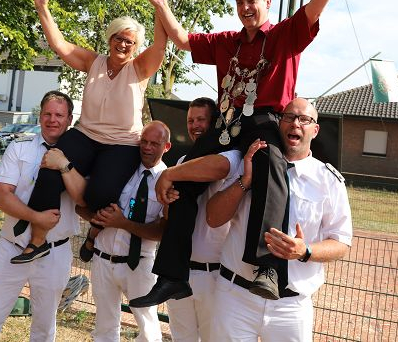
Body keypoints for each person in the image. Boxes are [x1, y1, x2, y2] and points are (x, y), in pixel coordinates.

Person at [131, 0, 365, 307]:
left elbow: (315, 5)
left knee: (272, 167)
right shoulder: (227, 41)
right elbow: (183, 40)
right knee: (183, 175)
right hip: (226, 122)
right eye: (239, 2)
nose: (245, 8)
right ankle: (172, 275)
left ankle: (268, 267)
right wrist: (161, 5)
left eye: (252, 1)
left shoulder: (284, 35)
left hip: (265, 120)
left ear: (267, 3)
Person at [10, 0, 167, 264]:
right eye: (118, 38)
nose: (123, 44)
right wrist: (42, 8)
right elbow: (59, 45)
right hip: (85, 135)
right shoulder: (94, 62)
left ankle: (93, 232)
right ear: (110, 38)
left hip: (121, 143)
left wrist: (159, 6)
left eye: (129, 42)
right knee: (48, 167)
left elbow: (160, 45)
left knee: (98, 197)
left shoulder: (139, 68)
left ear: (135, 47)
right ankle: (38, 239)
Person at [206, 97, 352, 340]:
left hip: (291, 307)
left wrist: (305, 251)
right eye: (289, 117)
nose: (295, 123)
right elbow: (213, 218)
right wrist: (246, 181)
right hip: (235, 297)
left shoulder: (328, 181)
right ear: (280, 123)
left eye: (304, 119)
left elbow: (341, 243)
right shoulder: (250, 161)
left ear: (315, 130)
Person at [0, 91, 81, 341]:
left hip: (55, 252)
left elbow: (83, 198)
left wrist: (65, 166)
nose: (52, 120)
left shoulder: (79, 157)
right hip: (13, 247)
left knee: (44, 327)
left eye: (59, 115)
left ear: (69, 119)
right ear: (40, 116)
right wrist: (36, 218)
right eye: (47, 114)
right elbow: (1, 197)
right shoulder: (19, 147)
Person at [49, 121, 172, 341]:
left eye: (155, 143)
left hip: (139, 263)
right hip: (103, 260)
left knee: (148, 329)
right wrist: (100, 217)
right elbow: (82, 205)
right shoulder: (120, 168)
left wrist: (123, 223)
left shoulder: (168, 181)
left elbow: (163, 232)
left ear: (167, 147)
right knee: (104, 328)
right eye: (144, 141)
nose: (147, 147)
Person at [166, 98, 239, 341]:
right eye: (190, 120)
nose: (195, 125)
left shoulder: (230, 160)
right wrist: (168, 200)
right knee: (181, 337)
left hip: (214, 275)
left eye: (201, 120)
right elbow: (169, 217)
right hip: (181, 271)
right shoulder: (181, 162)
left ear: (214, 122)